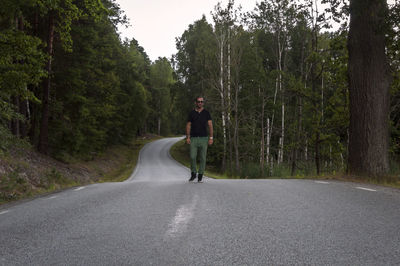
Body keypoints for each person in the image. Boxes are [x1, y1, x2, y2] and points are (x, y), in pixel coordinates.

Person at [186, 96, 213, 182]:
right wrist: (188, 137)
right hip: (193, 138)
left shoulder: (206, 113)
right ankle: (193, 173)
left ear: (203, 103)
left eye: (201, 102)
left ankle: (200, 174)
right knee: (192, 157)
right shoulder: (191, 113)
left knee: (203, 158)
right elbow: (188, 125)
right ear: (195, 102)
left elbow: (210, 125)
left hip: (204, 138)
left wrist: (211, 138)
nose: (200, 103)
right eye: (198, 102)